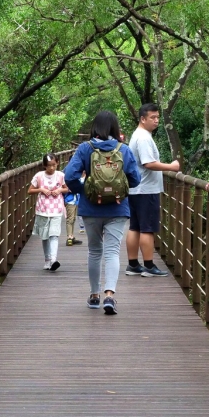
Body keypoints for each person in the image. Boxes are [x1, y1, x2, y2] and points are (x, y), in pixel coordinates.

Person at [64, 111, 141, 315]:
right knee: (112, 251)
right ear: (115, 127)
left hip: (90, 208)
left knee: (95, 251)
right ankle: (110, 296)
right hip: (117, 207)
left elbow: (69, 176)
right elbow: (135, 179)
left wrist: (85, 190)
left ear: (95, 127)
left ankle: (94, 295)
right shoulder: (123, 149)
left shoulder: (85, 148)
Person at [126, 103, 180, 277]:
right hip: (146, 189)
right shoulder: (143, 137)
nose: (156, 121)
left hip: (136, 189)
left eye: (157, 117)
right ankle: (148, 266)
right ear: (143, 119)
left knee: (135, 227)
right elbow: (148, 163)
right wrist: (171, 167)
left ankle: (133, 264)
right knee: (147, 228)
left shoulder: (138, 135)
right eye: (152, 118)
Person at [29, 153, 66, 271]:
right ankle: (47, 260)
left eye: (54, 165)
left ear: (57, 163)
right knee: (45, 236)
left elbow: (66, 188)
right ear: (44, 165)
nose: (51, 168)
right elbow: (29, 190)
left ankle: (53, 260)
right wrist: (41, 189)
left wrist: (60, 189)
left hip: (57, 209)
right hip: (43, 209)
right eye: (49, 166)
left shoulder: (60, 175)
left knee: (54, 234)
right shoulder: (39, 176)